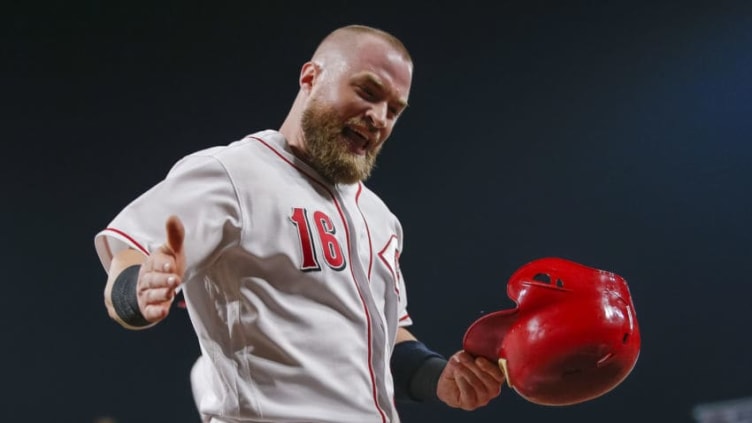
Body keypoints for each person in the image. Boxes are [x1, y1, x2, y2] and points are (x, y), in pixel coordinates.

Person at [95, 24, 504, 423]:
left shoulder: (381, 219)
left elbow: (385, 343)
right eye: (367, 91)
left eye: (394, 110)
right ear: (311, 76)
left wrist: (441, 378)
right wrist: (137, 291)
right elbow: (129, 258)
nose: (379, 117)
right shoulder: (234, 173)